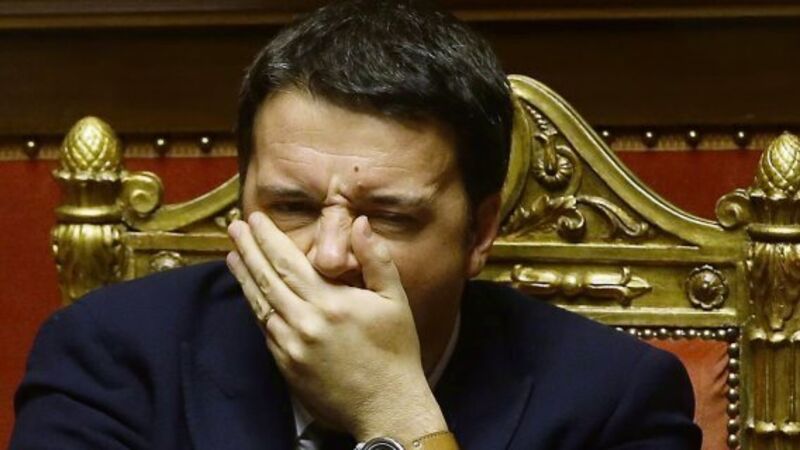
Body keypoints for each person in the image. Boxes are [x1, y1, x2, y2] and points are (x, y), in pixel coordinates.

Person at [10, 1, 702, 449]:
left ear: (480, 232)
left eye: (390, 216)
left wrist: (396, 415)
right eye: (291, 207)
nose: (331, 254)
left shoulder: (614, 399)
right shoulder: (112, 355)